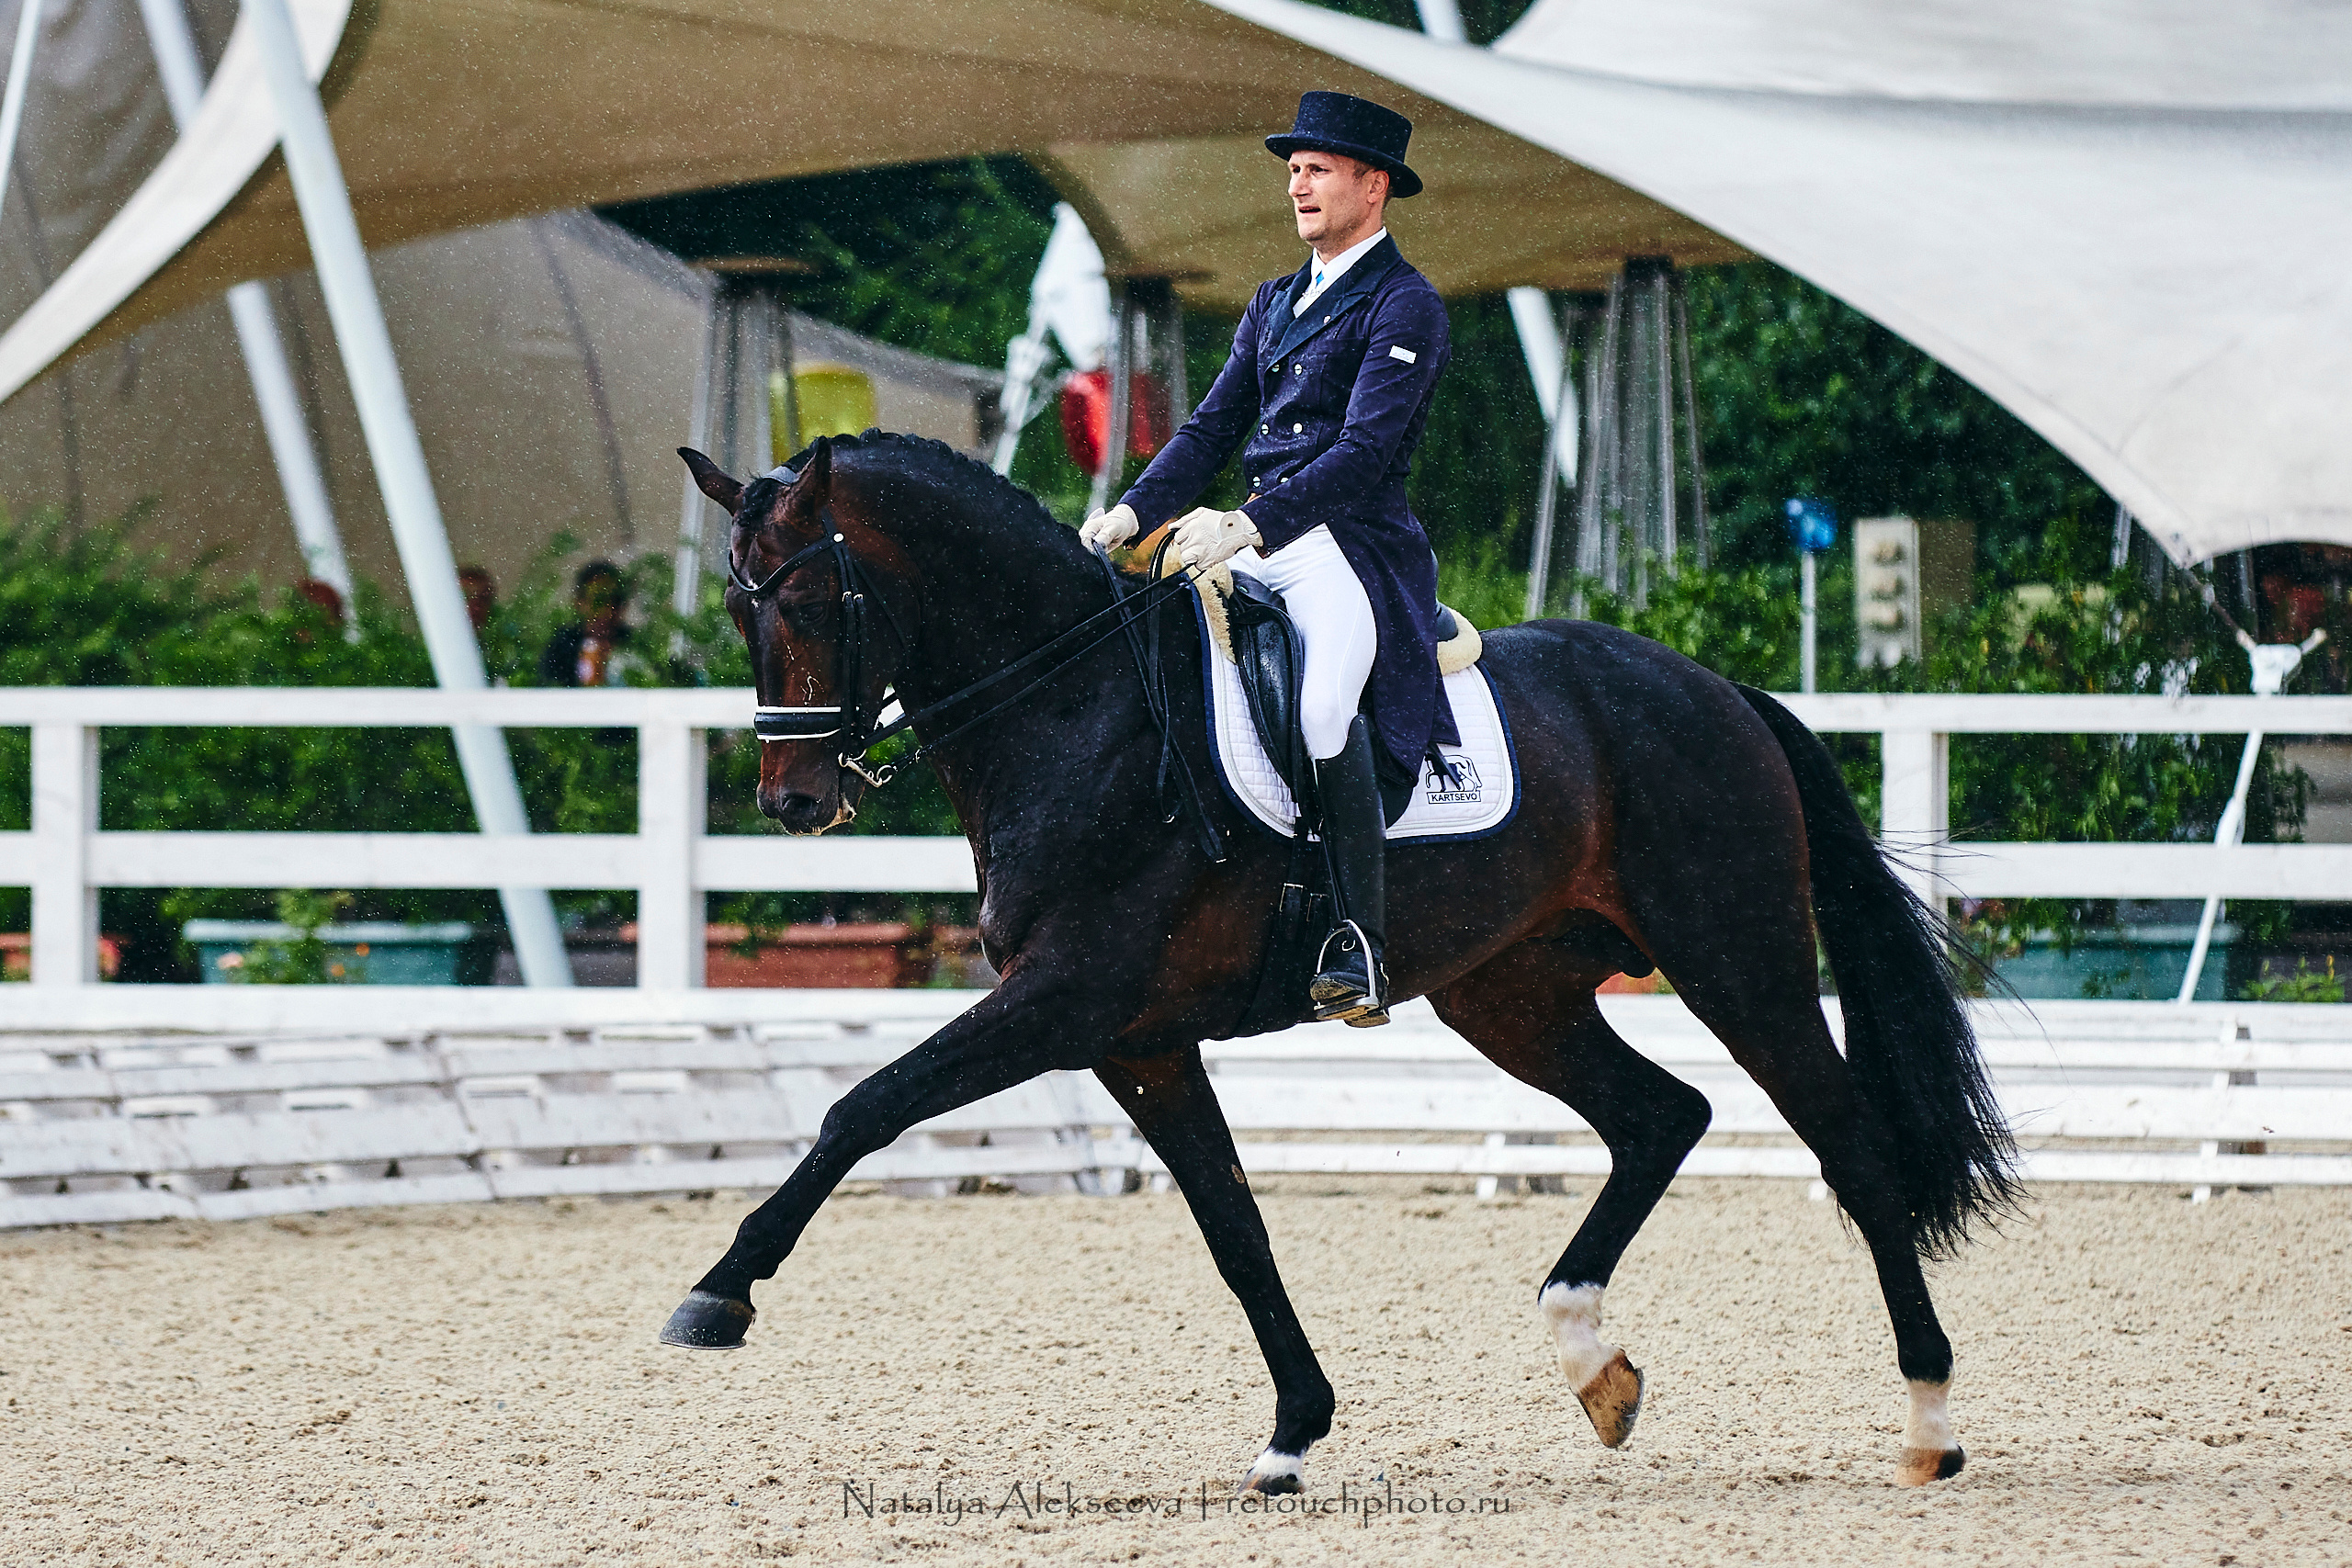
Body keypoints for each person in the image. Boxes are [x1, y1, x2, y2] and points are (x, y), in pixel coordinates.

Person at [1080, 91, 1455, 1027]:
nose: (1298, 182)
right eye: (1293, 168)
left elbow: (1364, 455)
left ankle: (1355, 943)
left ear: (1374, 187)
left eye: (1318, 168)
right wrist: (1129, 511)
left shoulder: (1405, 303)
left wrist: (1249, 526)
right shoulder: (1276, 300)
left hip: (1347, 545)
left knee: (1324, 706)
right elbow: (1210, 427)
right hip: (1252, 533)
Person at [539, 560, 637, 687]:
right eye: (598, 601)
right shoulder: (563, 647)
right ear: (579, 602)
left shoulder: (633, 644)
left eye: (615, 601)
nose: (607, 610)